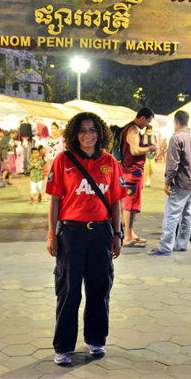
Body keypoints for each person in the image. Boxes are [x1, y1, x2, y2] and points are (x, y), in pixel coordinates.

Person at [46, 112, 126, 365]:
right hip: (71, 234)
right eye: (82, 130)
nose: (87, 135)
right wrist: (51, 234)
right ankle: (63, 346)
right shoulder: (63, 160)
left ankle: (95, 339)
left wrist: (117, 233)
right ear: (74, 134)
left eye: (92, 130)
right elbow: (55, 201)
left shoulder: (110, 162)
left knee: (100, 289)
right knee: (69, 291)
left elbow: (116, 202)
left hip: (101, 233)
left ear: (100, 133)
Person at [147, 111, 191, 256]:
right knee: (187, 216)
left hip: (181, 182)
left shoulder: (176, 139)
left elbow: (173, 164)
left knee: (172, 215)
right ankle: (182, 244)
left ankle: (165, 247)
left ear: (176, 121)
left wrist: (167, 182)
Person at [120, 107, 157, 248]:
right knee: (129, 205)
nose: (148, 124)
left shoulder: (130, 129)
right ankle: (128, 237)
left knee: (133, 204)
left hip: (131, 171)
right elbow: (135, 150)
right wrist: (149, 149)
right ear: (142, 118)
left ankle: (131, 233)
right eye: (148, 121)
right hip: (131, 172)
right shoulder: (133, 130)